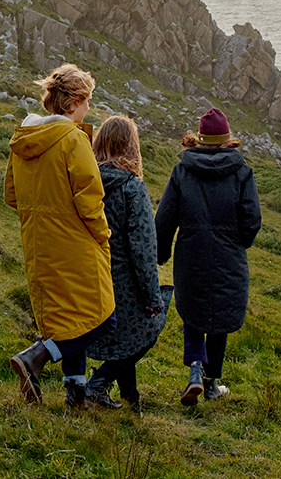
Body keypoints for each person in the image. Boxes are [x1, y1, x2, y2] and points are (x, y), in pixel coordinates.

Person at [4, 64, 115, 408]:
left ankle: (75, 391)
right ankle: (36, 357)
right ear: (76, 100)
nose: (88, 108)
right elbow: (90, 198)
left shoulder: (24, 138)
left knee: (67, 316)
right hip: (74, 240)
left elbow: (11, 195)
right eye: (87, 100)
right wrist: (102, 236)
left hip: (39, 242)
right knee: (101, 317)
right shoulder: (72, 139)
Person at [155, 107, 262, 405]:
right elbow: (252, 220)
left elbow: (164, 221)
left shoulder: (182, 171)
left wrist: (162, 253)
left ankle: (194, 371)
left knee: (194, 312)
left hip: (191, 255)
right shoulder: (242, 172)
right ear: (228, 139)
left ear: (199, 140)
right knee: (221, 317)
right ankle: (211, 383)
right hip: (229, 256)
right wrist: (239, 242)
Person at [84, 116, 173, 411]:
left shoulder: (86, 181)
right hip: (125, 284)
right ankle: (99, 383)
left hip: (91, 279)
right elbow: (144, 249)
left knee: (128, 337)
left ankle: (130, 399)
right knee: (149, 327)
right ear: (130, 147)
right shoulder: (131, 187)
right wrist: (151, 297)